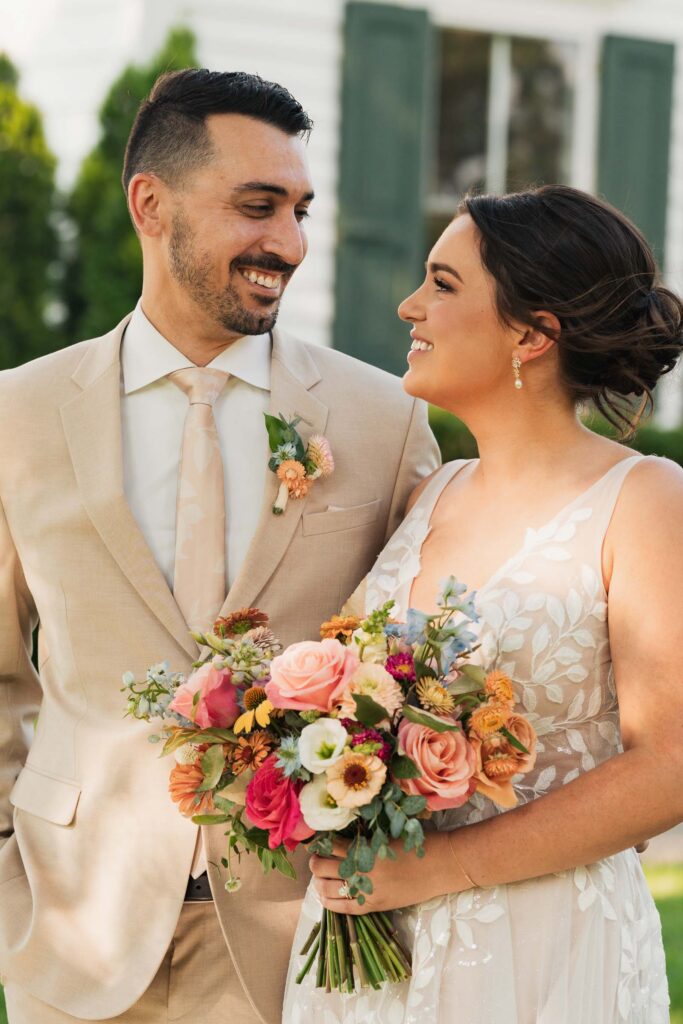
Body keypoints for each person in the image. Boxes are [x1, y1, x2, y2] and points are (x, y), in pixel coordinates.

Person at [0, 69, 439, 1024]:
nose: (287, 242)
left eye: (298, 209)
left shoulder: (381, 421)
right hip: (72, 935)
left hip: (302, 944)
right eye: (255, 206)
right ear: (150, 204)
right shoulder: (17, 415)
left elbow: (431, 671)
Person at [285, 185, 683, 1023]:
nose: (409, 305)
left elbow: (670, 766)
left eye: (443, 284)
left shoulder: (643, 500)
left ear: (531, 334)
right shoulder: (432, 492)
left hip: (541, 946)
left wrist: (436, 869)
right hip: (374, 944)